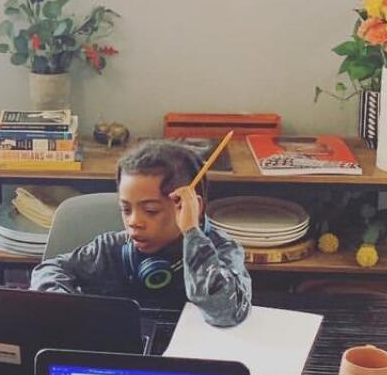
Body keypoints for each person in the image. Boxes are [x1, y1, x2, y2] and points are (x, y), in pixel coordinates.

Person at [31, 140, 251, 326]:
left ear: (191, 206)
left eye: (151, 211)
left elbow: (226, 312)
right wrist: (66, 306)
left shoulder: (224, 251)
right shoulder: (113, 248)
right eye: (126, 209)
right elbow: (49, 269)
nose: (134, 222)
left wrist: (192, 233)